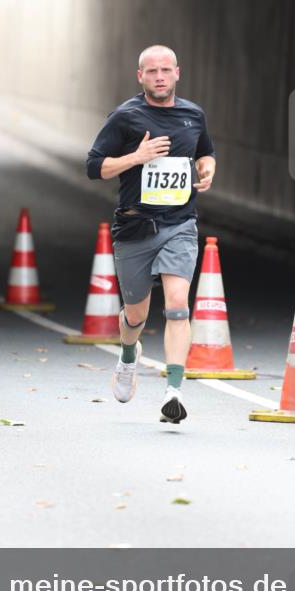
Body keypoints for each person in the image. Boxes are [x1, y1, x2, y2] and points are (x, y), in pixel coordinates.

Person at [86, 45, 216, 424]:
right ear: (140, 76)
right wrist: (135, 158)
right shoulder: (125, 117)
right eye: (151, 71)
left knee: (178, 304)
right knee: (136, 313)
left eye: (165, 70)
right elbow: (94, 167)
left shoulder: (193, 115)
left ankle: (173, 390)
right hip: (135, 226)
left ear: (178, 72)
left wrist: (207, 170)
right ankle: (128, 357)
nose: (159, 77)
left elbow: (206, 152)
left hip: (180, 224)